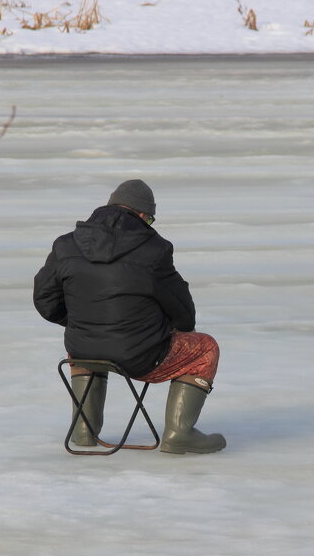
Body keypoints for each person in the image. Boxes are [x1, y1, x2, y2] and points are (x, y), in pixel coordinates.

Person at [33, 179, 226, 454]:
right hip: (141, 355)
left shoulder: (66, 244)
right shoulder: (155, 249)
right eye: (151, 218)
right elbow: (183, 311)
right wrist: (171, 329)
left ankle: (84, 432)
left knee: (86, 341)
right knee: (205, 347)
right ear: (143, 215)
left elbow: (44, 300)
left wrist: (84, 321)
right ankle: (179, 434)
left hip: (83, 349)